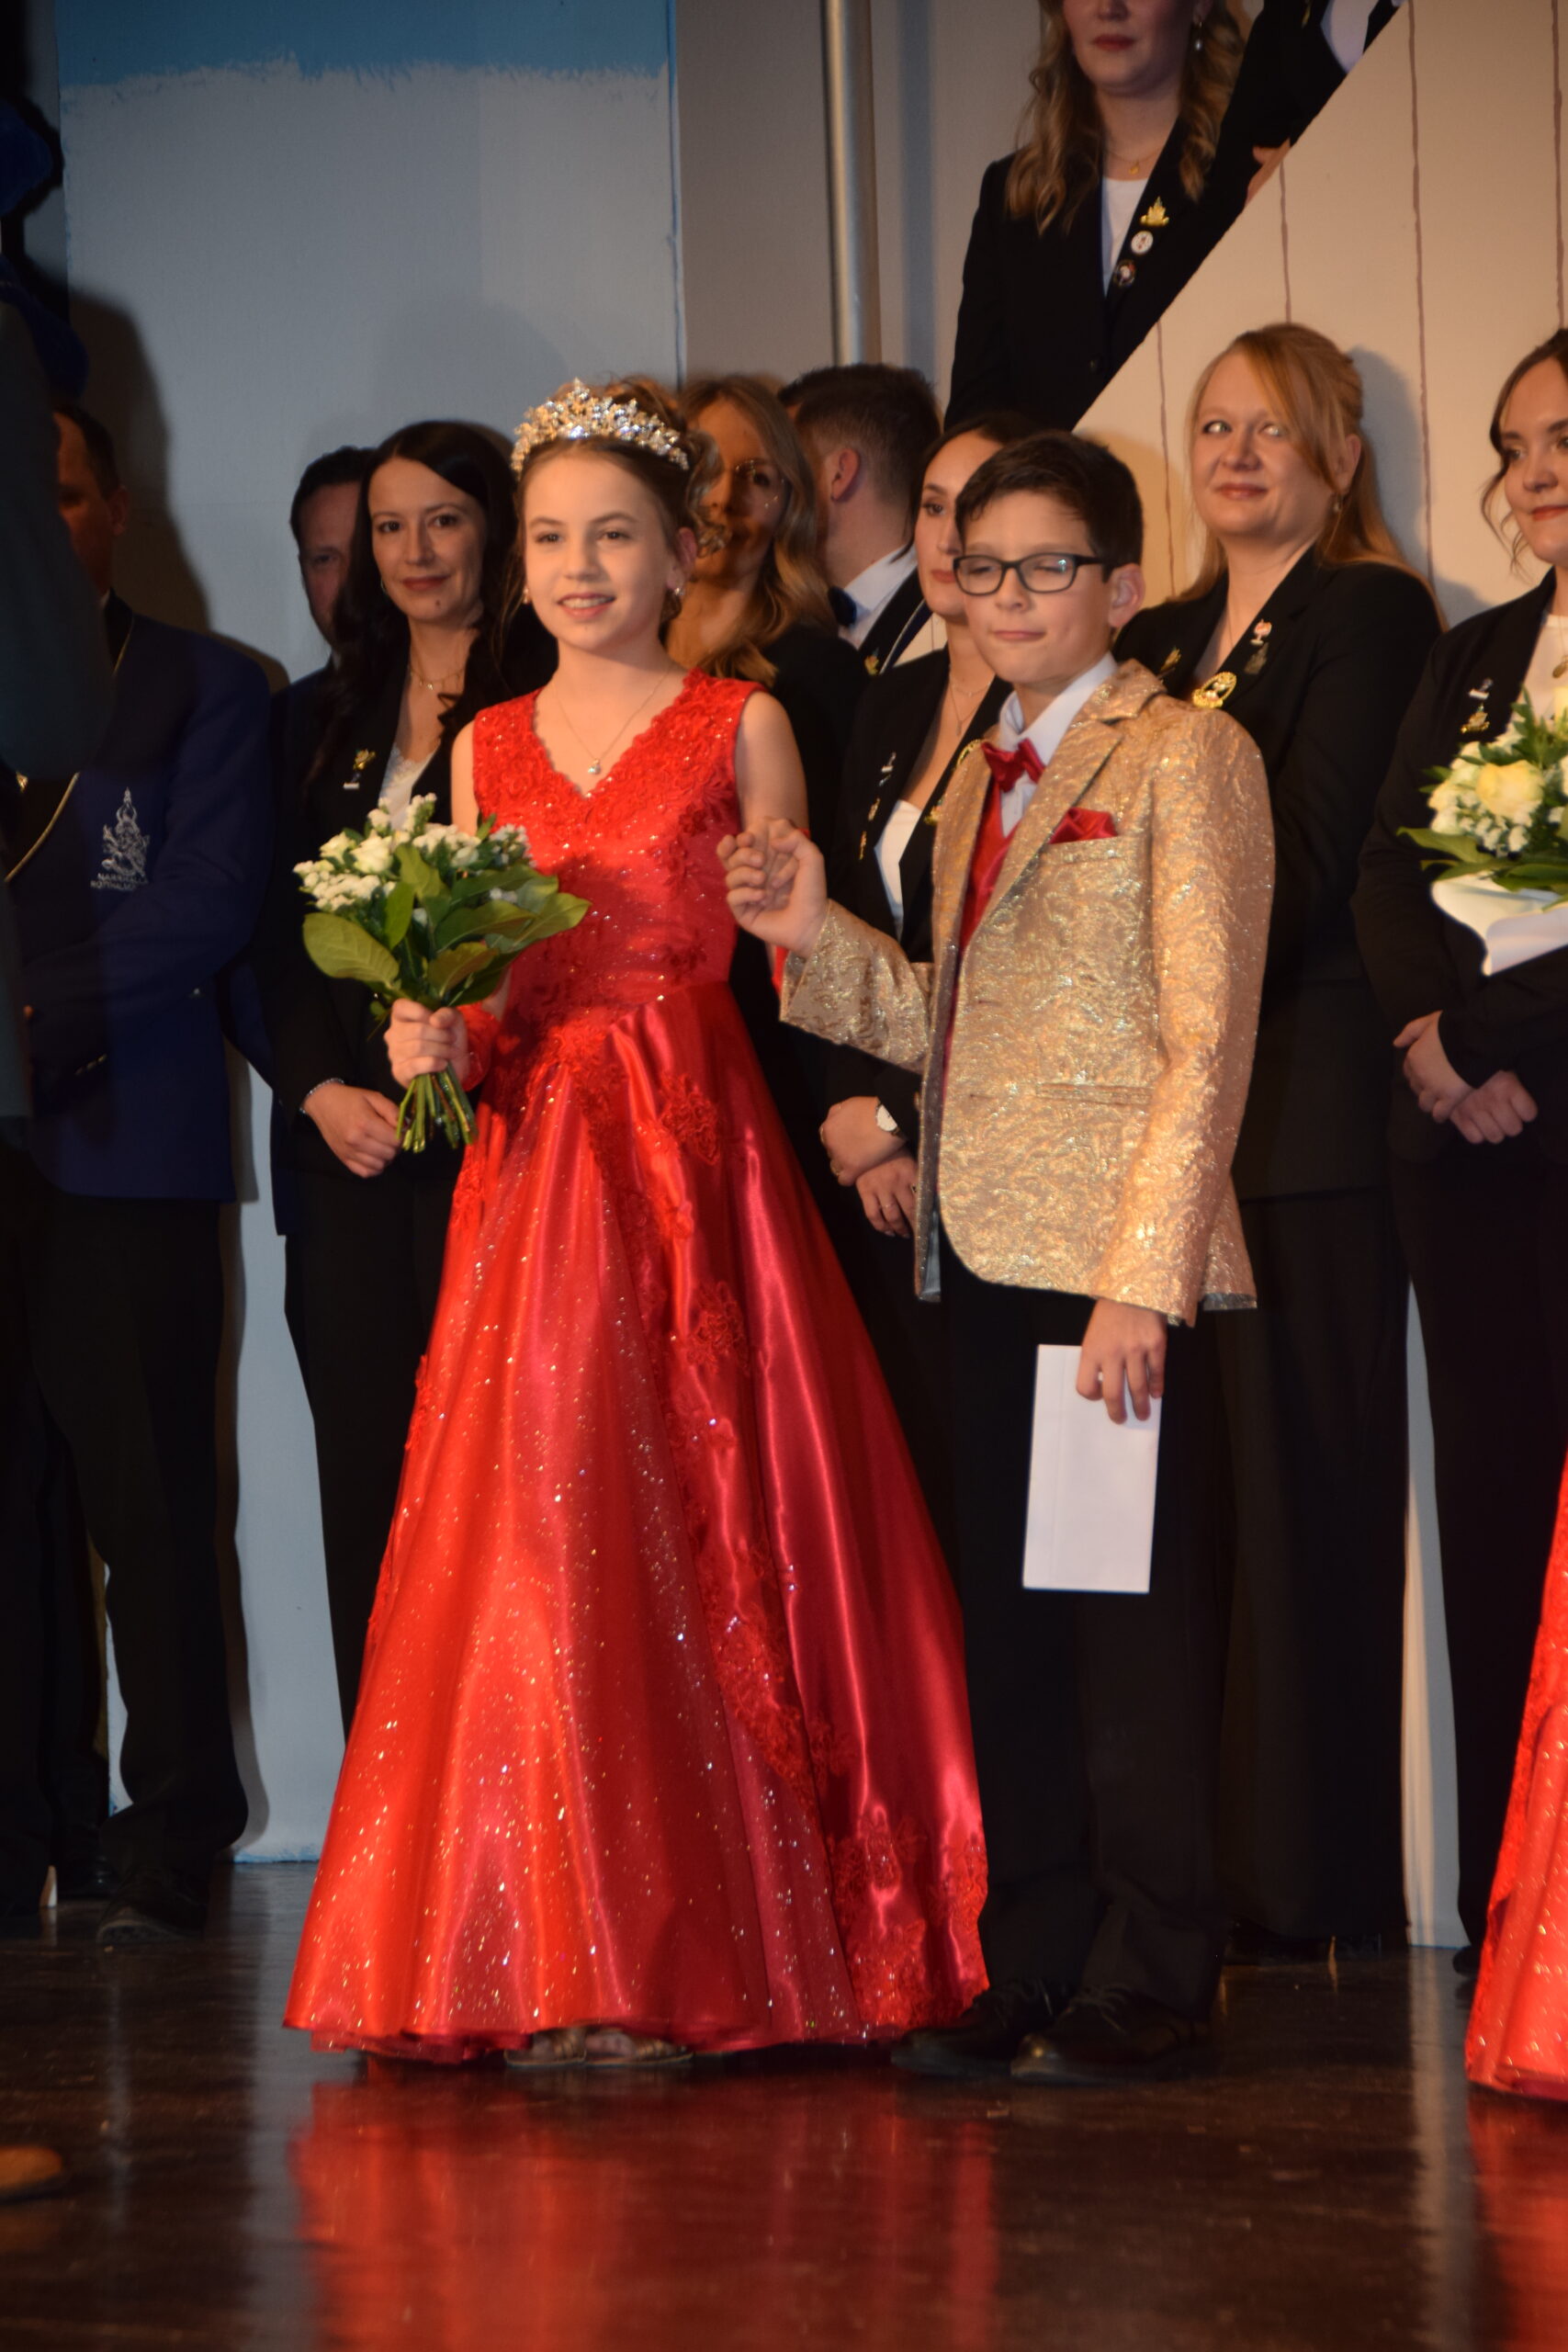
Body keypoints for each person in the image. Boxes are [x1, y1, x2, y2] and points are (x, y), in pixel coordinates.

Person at [285, 377, 985, 2064]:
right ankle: (543, 1944)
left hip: (693, 1152)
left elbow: (800, 958)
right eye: (549, 540)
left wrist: (808, 956)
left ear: (682, 553)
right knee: (546, 1537)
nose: (578, 568)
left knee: (710, 1514)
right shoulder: (484, 748)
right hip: (536, 1176)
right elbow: (473, 982)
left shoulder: (741, 721)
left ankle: (719, 1940)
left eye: (613, 537)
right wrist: (432, 1036)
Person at [725, 430, 1272, 2083]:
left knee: (1130, 1639)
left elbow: (1206, 1044)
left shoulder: (1185, 753)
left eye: (1049, 566)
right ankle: (1030, 1955)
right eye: (983, 566)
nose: (1010, 594)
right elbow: (943, 1023)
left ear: (1120, 584)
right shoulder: (975, 767)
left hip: (1108, 1272)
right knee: (1019, 1634)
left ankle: (1153, 1971)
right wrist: (811, 934)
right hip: (972, 1260)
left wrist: (1140, 1281)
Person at [1118, 323, 1438, 1956]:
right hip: (1157, 1128)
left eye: (1273, 429)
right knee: (1181, 1525)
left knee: (1301, 1508)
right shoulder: (1155, 634)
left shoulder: (1366, 613)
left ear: (1337, 456)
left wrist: (1133, 950)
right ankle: (1189, 1867)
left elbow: (1309, 859)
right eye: (1213, 426)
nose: (1235, 456)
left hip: (1296, 1124)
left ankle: (1308, 1886)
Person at [0, 397, 271, 1945]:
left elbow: (206, 903)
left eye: (61, 494)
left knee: (153, 1509)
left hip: (126, 1145)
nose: (37, 525)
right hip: (0, 1148)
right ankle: (23, 1829)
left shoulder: (203, 686)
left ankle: (171, 1832)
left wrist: (22, 1014)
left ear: (113, 508)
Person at [262, 421, 553, 1733]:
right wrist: (318, 1089)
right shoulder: (315, 718)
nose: (415, 551)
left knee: (505, 1484)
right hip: (347, 1158)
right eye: (389, 527)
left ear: (494, 530)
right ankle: (385, 1794)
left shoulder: (547, 700)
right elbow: (268, 936)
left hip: (504, 1148)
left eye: (444, 520)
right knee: (368, 1494)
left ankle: (506, 1793)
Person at [1356, 327, 1568, 1973]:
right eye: (1510, 447)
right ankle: (1516, 1929)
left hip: (1550, 1098)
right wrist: (1430, 1045)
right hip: (1469, 1158)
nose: (1531, 472)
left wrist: (1493, 1039)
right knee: (1494, 1524)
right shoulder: (1478, 653)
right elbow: (1384, 865)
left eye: (1560, 438)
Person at [819, 410, 1035, 1562]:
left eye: (982, 507)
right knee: (909, 1508)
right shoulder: (891, 703)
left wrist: (904, 1119)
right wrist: (851, 1112)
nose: (953, 538)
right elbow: (835, 928)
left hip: (996, 1161)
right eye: (939, 507)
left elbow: (1030, 961)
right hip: (875, 1172)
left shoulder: (1058, 713)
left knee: (1004, 1508)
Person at [670, 375, 869, 1239]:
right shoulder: (605, 666)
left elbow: (840, 892)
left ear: (790, 505)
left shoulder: (816, 673)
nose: (724, 499)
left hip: (767, 1042)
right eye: (703, 468)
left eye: (756, 477)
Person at [948, 1, 1254, 430]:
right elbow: (975, 423)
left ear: (1200, 5)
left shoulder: (1254, 180)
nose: (1109, 7)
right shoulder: (1014, 195)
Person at [782, 364, 942, 675]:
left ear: (839, 474)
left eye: (786, 464)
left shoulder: (948, 625)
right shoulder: (800, 622)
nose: (773, 493)